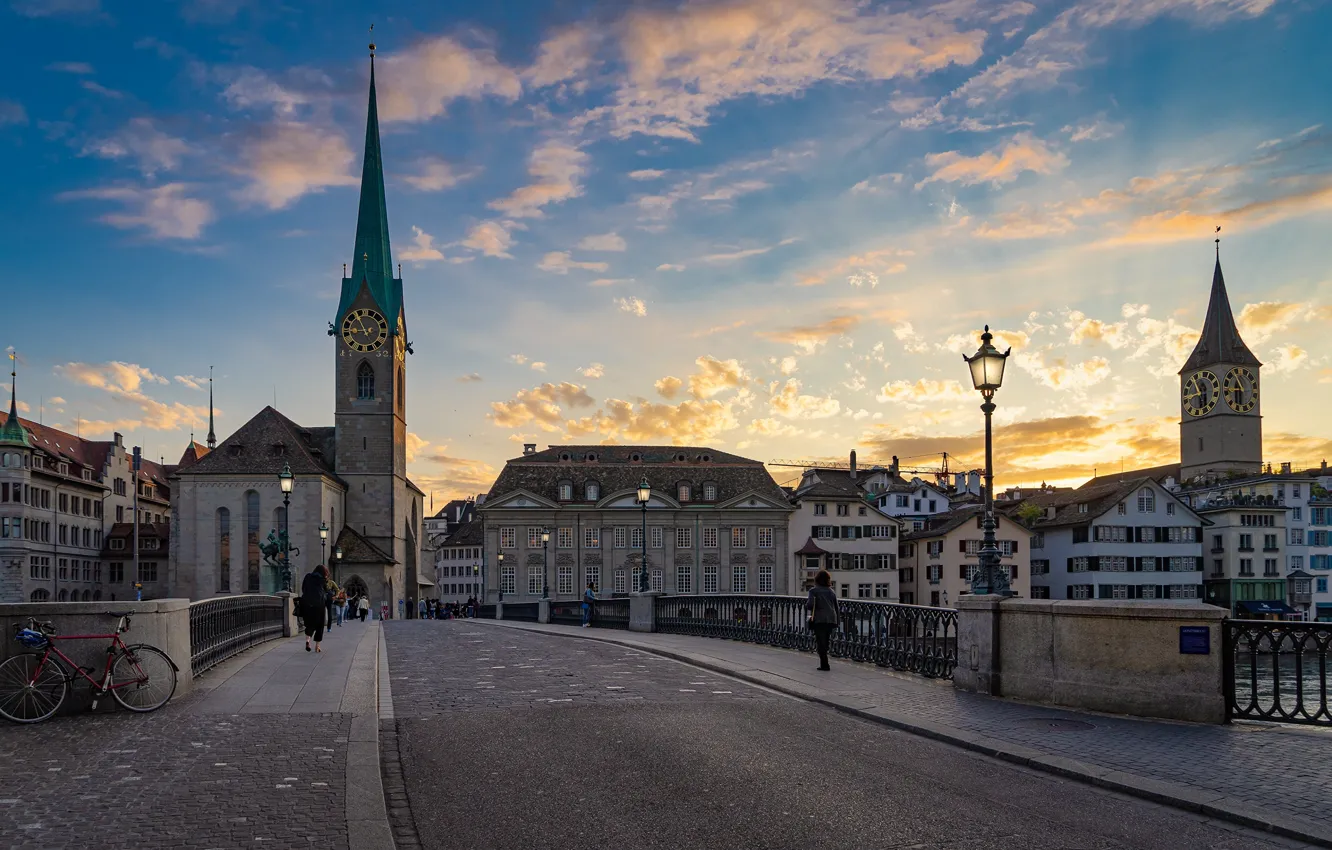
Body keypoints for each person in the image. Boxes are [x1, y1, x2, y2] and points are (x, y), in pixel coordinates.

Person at [806, 570, 839, 672]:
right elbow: (836, 607)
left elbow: (810, 605)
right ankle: (825, 662)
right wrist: (837, 621)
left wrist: (806, 605)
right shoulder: (831, 591)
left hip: (819, 619)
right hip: (831, 619)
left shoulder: (813, 591)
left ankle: (824, 664)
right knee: (826, 640)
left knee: (820, 642)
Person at [301, 565, 331, 653]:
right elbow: (327, 591)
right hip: (319, 604)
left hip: (307, 603)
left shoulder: (308, 576)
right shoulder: (322, 580)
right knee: (319, 625)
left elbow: (303, 588)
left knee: (310, 623)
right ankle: (317, 646)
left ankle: (308, 640)